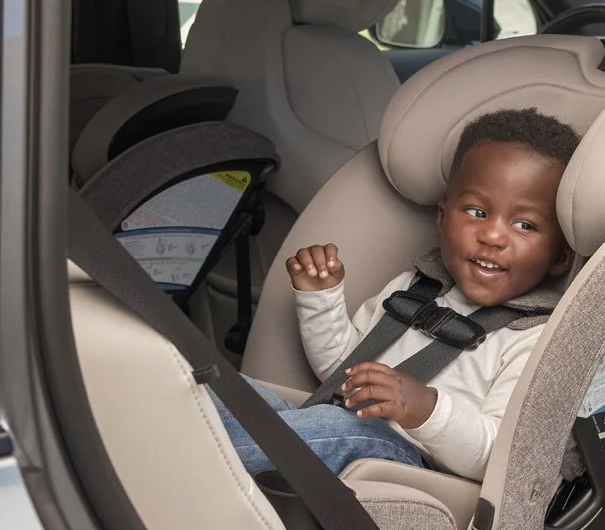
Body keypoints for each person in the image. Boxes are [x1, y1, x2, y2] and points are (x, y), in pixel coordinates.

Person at [212, 108, 581, 482]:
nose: (493, 236)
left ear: (560, 257)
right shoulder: (411, 290)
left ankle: (190, 462)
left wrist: (425, 409)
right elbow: (343, 373)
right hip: (345, 428)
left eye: (524, 224)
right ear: (442, 218)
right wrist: (320, 300)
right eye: (476, 211)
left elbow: (496, 457)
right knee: (231, 392)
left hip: (417, 470)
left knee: (331, 425)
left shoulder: (532, 341)